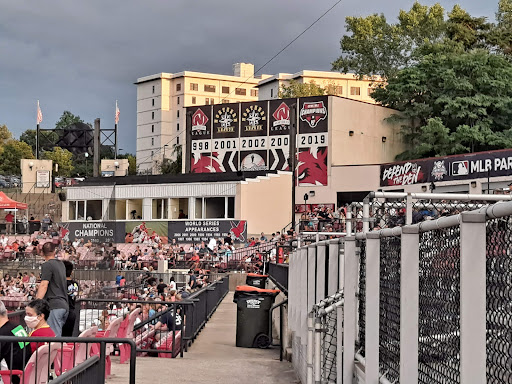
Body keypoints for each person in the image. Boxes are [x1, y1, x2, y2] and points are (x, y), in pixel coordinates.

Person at [35, 242, 69, 337]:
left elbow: (44, 285)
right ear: (54, 251)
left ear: (42, 253)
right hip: (64, 305)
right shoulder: (61, 264)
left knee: (53, 339)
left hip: (54, 305)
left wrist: (37, 303)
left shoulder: (47, 265)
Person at [0, 300, 29, 383]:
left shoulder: (3, 335)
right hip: (25, 374)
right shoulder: (18, 327)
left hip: (11, 377)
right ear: (6, 312)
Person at [62, 261, 79, 337]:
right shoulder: (75, 284)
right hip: (71, 311)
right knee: (68, 337)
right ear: (71, 272)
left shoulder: (61, 283)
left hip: (62, 312)